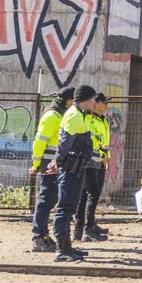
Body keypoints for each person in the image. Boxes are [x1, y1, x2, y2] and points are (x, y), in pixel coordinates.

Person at [53, 85, 100, 263]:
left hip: (76, 167)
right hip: (71, 168)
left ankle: (67, 247)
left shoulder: (81, 115)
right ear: (87, 100)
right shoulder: (74, 116)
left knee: (69, 207)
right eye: (94, 99)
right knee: (65, 208)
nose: (95, 103)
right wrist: (57, 163)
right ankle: (62, 249)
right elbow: (65, 144)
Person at [29, 86, 74, 253]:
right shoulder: (53, 116)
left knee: (50, 200)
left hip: (54, 163)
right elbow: (39, 141)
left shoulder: (60, 115)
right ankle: (38, 236)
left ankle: (43, 234)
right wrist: (35, 165)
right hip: (49, 164)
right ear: (68, 101)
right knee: (45, 200)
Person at [74, 92, 111, 243]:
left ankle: (86, 227)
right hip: (91, 161)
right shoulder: (90, 119)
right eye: (103, 102)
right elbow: (94, 139)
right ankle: (86, 229)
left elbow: (104, 140)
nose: (106, 106)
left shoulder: (102, 119)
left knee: (89, 194)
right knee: (90, 194)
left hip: (99, 160)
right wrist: (103, 154)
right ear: (95, 103)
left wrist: (105, 155)